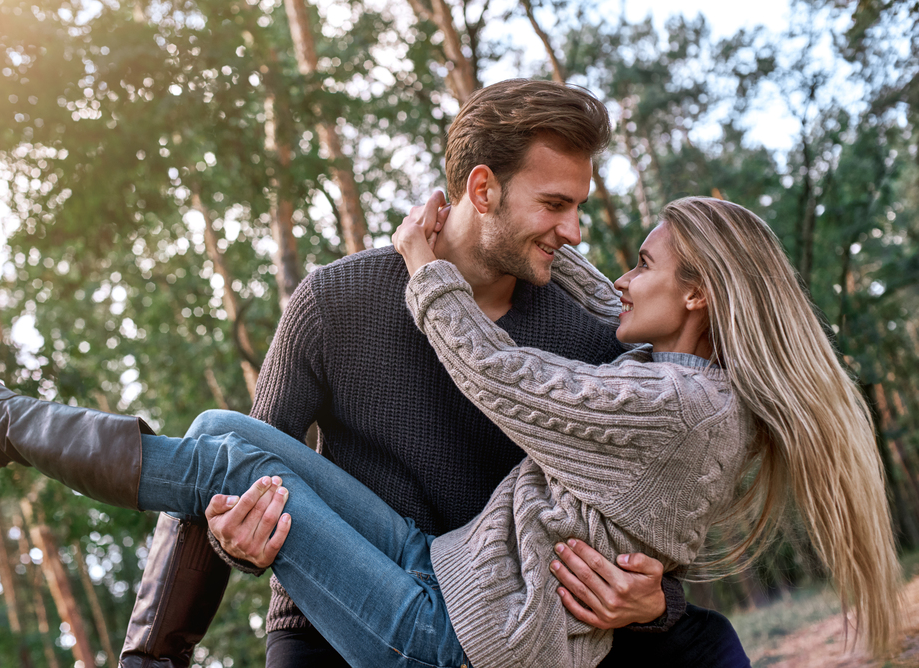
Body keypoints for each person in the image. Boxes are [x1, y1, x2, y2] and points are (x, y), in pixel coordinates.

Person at [0, 196, 900, 668]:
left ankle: (1, 419)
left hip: (457, 644)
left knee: (225, 451)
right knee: (228, 427)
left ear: (695, 293)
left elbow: (499, 376)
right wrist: (508, 225)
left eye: (646, 262)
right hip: (453, 573)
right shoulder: (677, 372)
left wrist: (421, 265)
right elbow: (594, 285)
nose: (621, 272)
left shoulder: (681, 404)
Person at [120, 79, 749, 668]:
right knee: (211, 437)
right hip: (327, 618)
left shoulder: (592, 338)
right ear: (483, 190)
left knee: (708, 645)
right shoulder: (335, 300)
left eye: (578, 206)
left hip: (486, 624)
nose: (574, 231)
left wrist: (657, 602)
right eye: (556, 204)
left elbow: (644, 507)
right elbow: (251, 462)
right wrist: (237, 541)